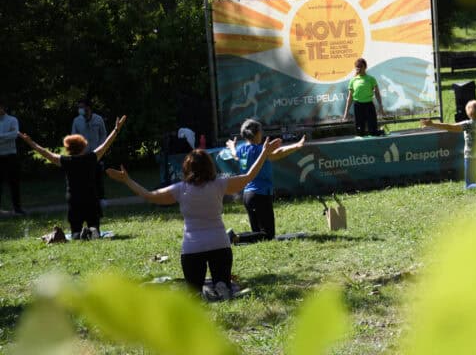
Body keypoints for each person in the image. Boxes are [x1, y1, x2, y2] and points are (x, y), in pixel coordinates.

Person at [106, 138, 282, 298]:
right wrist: (264, 153)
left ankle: (199, 293)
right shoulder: (219, 184)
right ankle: (222, 285)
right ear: (209, 166)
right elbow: (249, 176)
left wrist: (127, 180)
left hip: (192, 248)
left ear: (186, 168)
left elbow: (149, 195)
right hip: (219, 244)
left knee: (193, 291)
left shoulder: (180, 188)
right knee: (222, 281)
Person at [19, 115, 127, 238]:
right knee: (95, 229)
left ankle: (78, 234)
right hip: (91, 197)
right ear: (83, 145)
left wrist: (30, 142)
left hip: (74, 199)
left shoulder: (65, 161)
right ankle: (91, 233)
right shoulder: (91, 158)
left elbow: (45, 153)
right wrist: (116, 130)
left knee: (75, 232)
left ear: (68, 148)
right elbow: (106, 144)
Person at [225, 119, 306, 243]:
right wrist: (297, 145)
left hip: (247, 196)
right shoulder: (259, 150)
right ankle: (234, 237)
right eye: (261, 131)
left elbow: (235, 154)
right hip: (260, 195)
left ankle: (234, 238)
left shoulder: (242, 150)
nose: (262, 134)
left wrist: (232, 147)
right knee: (268, 236)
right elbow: (278, 153)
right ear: (256, 134)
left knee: (258, 236)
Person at [71, 99, 108, 202]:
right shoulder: (77, 121)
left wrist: (101, 147)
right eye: (79, 107)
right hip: (83, 154)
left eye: (82, 107)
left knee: (98, 176)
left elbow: (103, 134)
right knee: (84, 177)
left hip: (96, 153)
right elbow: (73, 136)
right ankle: (86, 198)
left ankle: (101, 199)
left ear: (88, 107)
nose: (80, 109)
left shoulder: (98, 119)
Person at [343, 58, 385, 136]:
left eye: (360, 66)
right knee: (360, 133)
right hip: (358, 106)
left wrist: (381, 106)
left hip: (369, 105)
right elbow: (350, 97)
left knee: (373, 132)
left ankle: (380, 131)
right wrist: (346, 113)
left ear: (365, 67)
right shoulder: (353, 80)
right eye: (357, 67)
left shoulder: (371, 79)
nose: (358, 68)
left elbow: (377, 93)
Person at [0, 100, 24, 215]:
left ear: (3, 108)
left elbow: (14, 135)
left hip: (10, 155)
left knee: (14, 183)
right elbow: (9, 136)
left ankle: (17, 208)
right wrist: (6, 136)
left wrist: (0, 137)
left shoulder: (12, 120)